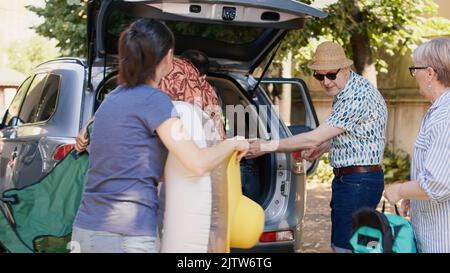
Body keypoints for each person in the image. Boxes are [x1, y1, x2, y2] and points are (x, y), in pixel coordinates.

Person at [70, 18, 249, 253]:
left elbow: (131, 167)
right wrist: (235, 143)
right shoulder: (155, 102)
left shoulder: (110, 100)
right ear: (168, 57)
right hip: (127, 236)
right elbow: (196, 163)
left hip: (85, 231)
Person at [246, 41, 388, 252]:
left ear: (346, 68)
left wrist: (266, 146)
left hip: (357, 183)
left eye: (331, 74)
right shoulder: (349, 89)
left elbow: (314, 137)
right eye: (319, 76)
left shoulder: (356, 96)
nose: (326, 81)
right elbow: (357, 134)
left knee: (344, 247)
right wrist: (324, 148)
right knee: (359, 247)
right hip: (356, 180)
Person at [384, 38, 450, 253]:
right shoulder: (437, 111)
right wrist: (414, 196)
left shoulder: (444, 118)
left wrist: (399, 189)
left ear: (430, 73)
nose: (415, 77)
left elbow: (438, 183)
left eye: (415, 69)